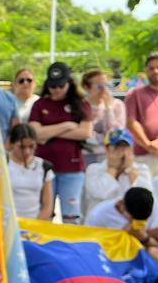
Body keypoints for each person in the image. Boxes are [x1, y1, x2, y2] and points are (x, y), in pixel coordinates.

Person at [28, 61, 93, 224]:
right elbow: (36, 133)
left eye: (60, 86)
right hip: (45, 167)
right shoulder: (40, 104)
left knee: (71, 215)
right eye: (52, 86)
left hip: (71, 168)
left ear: (69, 84)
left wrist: (48, 132)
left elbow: (85, 132)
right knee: (45, 212)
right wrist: (66, 126)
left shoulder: (81, 105)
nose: (56, 90)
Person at [85, 187, 158, 262]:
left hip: (143, 250)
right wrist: (144, 236)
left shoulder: (150, 203)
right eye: (133, 219)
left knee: (156, 254)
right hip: (109, 255)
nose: (136, 223)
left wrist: (140, 235)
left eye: (142, 221)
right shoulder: (99, 215)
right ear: (121, 204)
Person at [83, 129, 153, 215]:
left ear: (132, 149)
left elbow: (145, 199)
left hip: (128, 222)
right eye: (117, 147)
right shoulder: (94, 169)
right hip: (100, 222)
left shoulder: (142, 169)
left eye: (125, 147)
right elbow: (99, 193)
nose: (122, 152)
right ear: (107, 149)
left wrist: (130, 170)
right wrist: (112, 168)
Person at [7, 123, 54, 221]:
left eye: (31, 146)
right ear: (11, 144)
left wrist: (36, 225)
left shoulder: (44, 166)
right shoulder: (2, 164)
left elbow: (48, 204)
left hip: (34, 224)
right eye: (21, 147)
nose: (27, 152)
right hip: (6, 223)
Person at [83, 68, 125, 165]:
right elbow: (82, 134)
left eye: (107, 85)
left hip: (109, 155)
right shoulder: (80, 106)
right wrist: (101, 137)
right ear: (86, 87)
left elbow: (115, 134)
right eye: (99, 86)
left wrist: (108, 109)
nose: (104, 89)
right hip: (84, 155)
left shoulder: (117, 105)